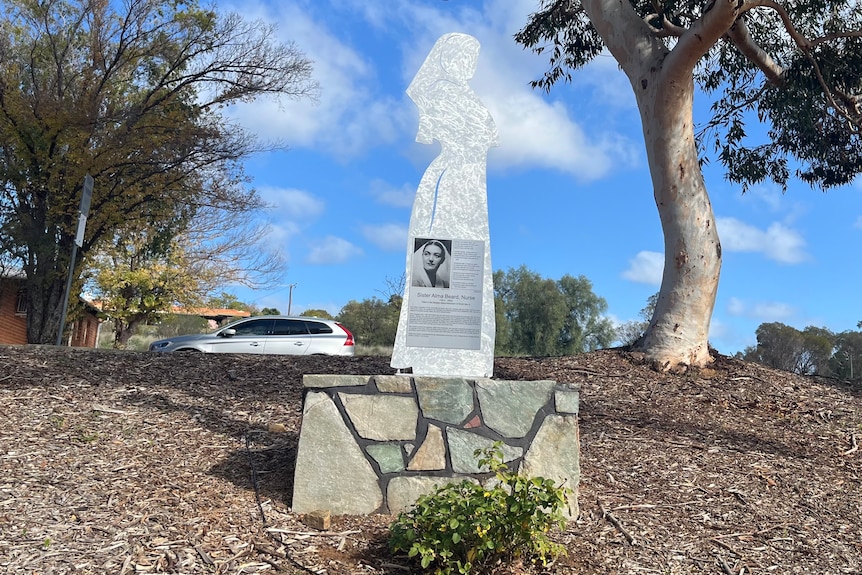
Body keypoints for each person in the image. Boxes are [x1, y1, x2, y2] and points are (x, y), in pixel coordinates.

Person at [391, 33, 499, 378]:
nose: (469, 65)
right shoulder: (441, 93)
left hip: (471, 185)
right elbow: (470, 136)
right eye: (463, 57)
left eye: (473, 59)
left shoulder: (469, 95)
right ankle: (427, 351)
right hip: (450, 181)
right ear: (447, 58)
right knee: (438, 256)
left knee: (469, 263)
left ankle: (467, 355)